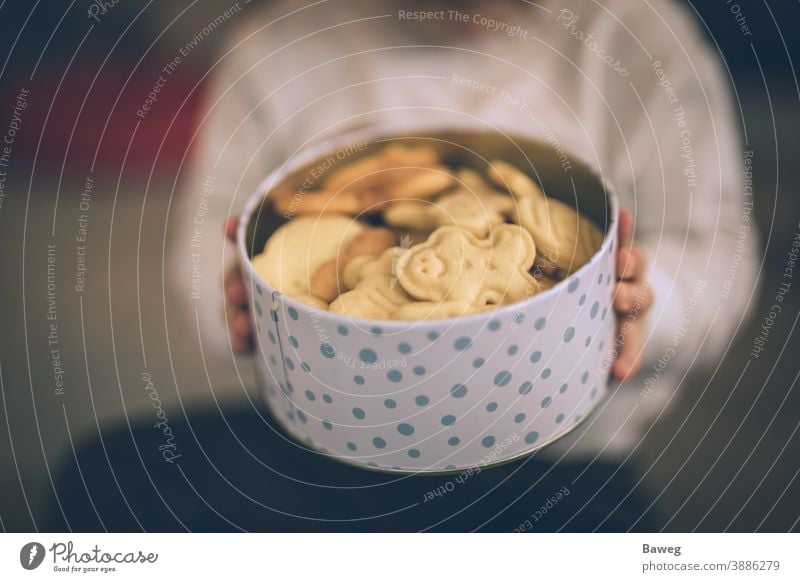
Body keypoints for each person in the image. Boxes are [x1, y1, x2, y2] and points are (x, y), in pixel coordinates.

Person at [51, 0, 757, 532]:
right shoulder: (275, 48)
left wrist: (645, 304)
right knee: (105, 481)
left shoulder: (638, 41)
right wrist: (233, 301)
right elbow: (210, 244)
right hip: (328, 429)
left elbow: (719, 253)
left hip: (559, 454)